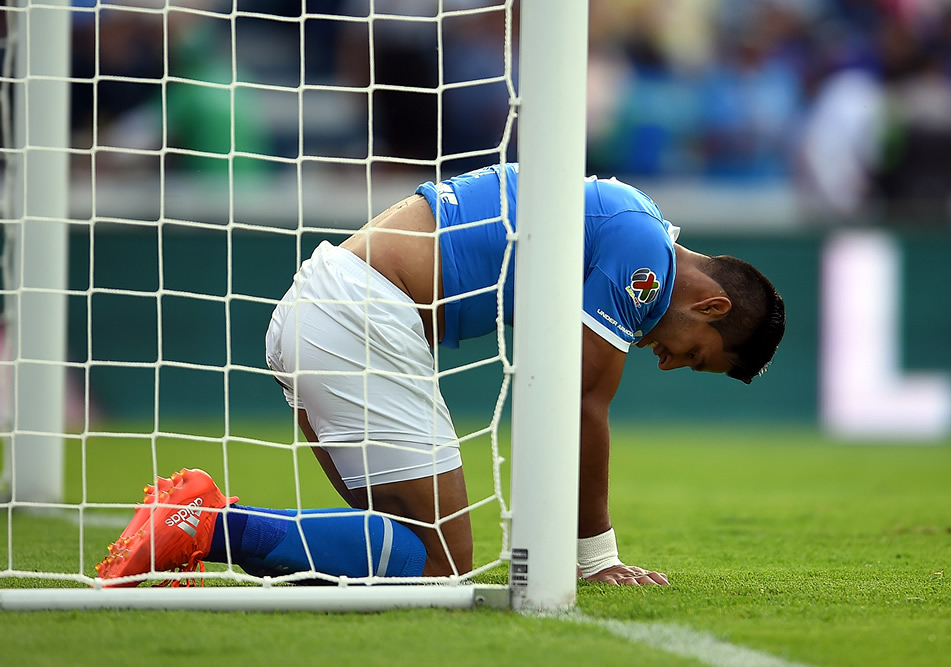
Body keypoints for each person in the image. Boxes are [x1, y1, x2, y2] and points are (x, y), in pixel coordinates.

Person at [95, 163, 785, 588]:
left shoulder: (635, 220)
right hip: (360, 317)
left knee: (398, 558)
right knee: (439, 562)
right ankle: (203, 523)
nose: (665, 361)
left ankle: (202, 522)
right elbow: (581, 405)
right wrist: (595, 556)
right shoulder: (646, 259)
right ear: (711, 305)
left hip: (327, 307)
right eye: (692, 352)